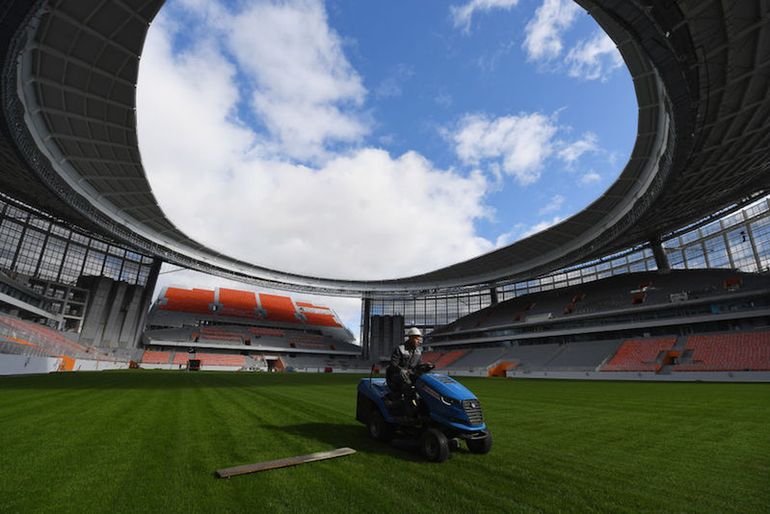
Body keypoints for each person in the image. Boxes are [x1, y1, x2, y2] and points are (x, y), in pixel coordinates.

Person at [386, 327, 424, 416]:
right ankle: (409, 412)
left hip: (409, 376)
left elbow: (419, 367)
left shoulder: (418, 352)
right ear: (410, 338)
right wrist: (401, 370)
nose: (419, 341)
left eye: (420, 339)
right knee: (409, 387)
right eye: (417, 339)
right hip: (395, 376)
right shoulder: (400, 349)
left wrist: (426, 367)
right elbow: (393, 364)